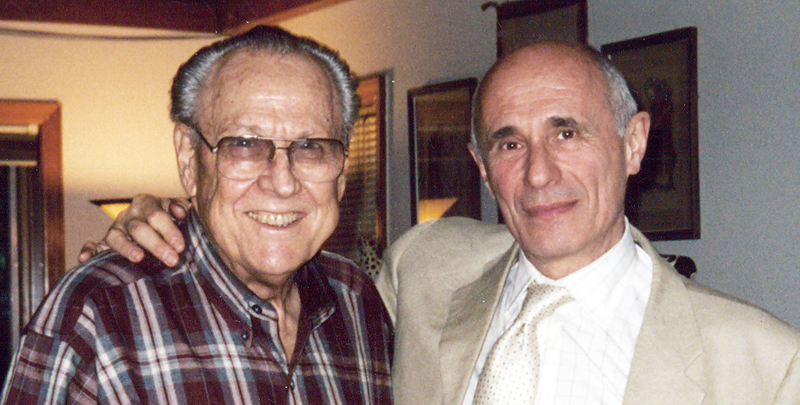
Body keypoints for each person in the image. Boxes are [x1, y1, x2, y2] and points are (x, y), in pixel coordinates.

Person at [77, 40, 800, 404]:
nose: (538, 173)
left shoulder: (764, 364)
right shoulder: (424, 267)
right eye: (509, 143)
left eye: (567, 132)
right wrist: (178, 217)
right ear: (481, 166)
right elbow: (263, 260)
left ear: (633, 142)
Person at [1, 26, 392, 404]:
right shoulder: (99, 316)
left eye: (311, 147)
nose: (283, 183)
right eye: (244, 145)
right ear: (189, 159)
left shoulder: (359, 304)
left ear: (341, 171)